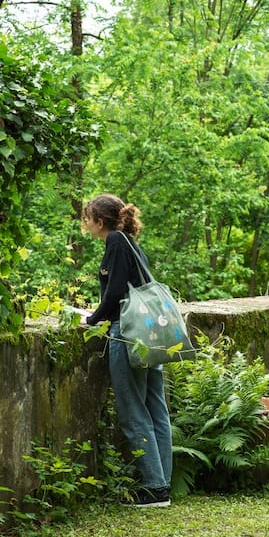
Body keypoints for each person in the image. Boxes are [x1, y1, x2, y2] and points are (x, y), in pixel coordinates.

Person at [82, 193, 173, 508]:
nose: (86, 224)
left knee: (134, 410)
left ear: (99, 221)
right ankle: (162, 484)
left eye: (88, 218)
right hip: (151, 333)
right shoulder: (131, 243)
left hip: (129, 334)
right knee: (155, 408)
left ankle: (153, 487)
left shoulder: (117, 242)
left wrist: (92, 319)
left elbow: (116, 291)